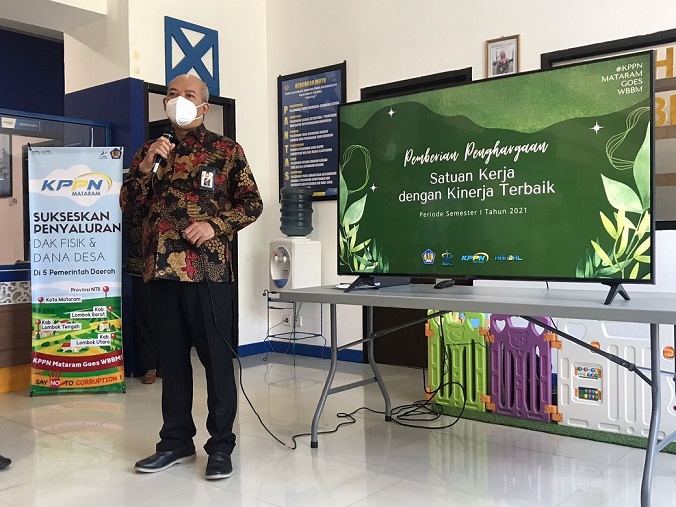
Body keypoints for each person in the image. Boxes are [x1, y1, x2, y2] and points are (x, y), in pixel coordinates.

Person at [120, 74, 263, 480]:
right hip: (161, 272)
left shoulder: (226, 150)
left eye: (188, 95)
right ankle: (176, 441)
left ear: (204, 106)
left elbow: (252, 203)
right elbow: (130, 207)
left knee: (216, 362)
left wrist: (215, 225)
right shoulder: (150, 151)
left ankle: (220, 447)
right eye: (172, 94)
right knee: (173, 362)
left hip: (207, 272)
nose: (178, 100)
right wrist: (143, 170)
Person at [122, 216, 160, 384]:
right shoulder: (135, 205)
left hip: (168, 266)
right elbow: (129, 232)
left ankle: (165, 364)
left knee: (169, 319)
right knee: (145, 317)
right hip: (141, 267)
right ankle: (149, 367)